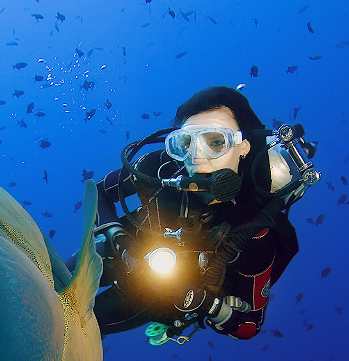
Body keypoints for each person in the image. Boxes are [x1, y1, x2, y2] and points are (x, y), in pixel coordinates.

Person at [66, 86, 319, 344]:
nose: (196, 156)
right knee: (41, 281)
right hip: (112, 251)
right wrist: (120, 240)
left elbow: (249, 326)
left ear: (243, 146)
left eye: (216, 142)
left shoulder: (254, 230)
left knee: (68, 328)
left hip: (154, 295)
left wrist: (207, 304)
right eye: (186, 143)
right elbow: (97, 191)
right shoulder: (160, 167)